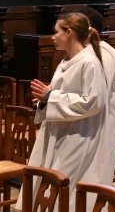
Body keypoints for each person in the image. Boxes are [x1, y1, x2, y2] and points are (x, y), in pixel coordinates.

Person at [28, 12, 110, 196]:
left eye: (56, 32)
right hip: (60, 130)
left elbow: (93, 102)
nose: (53, 36)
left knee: (65, 187)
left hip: (77, 135)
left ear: (69, 33)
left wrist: (52, 96)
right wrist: (45, 99)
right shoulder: (66, 60)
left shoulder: (89, 62)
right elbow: (62, 92)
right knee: (51, 184)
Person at [80, 7, 115, 186]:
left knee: (98, 166)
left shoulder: (100, 55)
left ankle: (98, 210)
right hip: (96, 114)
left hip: (101, 116)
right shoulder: (88, 52)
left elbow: (96, 93)